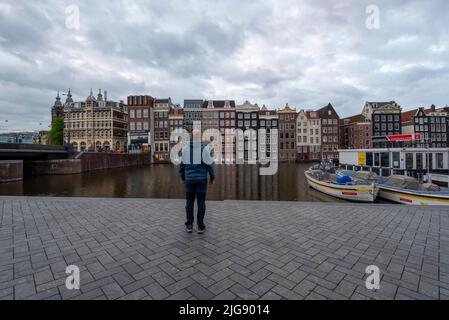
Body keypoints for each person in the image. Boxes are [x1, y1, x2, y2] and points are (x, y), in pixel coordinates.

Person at [178, 129, 215, 234]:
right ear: (200, 138)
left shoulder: (185, 149)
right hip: (201, 181)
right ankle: (200, 226)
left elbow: (181, 166)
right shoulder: (205, 150)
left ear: (192, 137)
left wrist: (183, 178)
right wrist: (212, 178)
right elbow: (210, 166)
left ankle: (189, 225)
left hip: (189, 180)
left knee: (189, 203)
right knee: (201, 203)